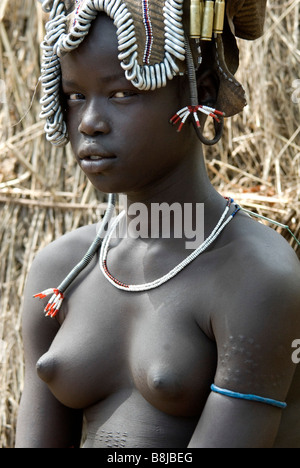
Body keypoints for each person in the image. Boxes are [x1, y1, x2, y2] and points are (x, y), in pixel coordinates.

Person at [15, 0, 300, 448]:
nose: (89, 122)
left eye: (123, 93)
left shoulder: (256, 276)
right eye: (74, 96)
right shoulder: (62, 271)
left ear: (200, 95)